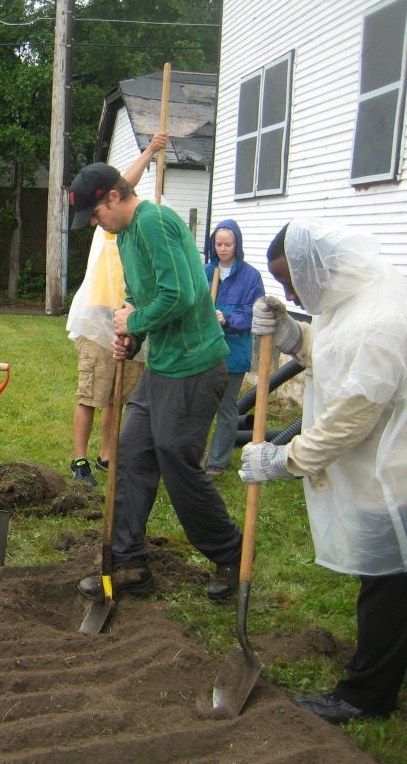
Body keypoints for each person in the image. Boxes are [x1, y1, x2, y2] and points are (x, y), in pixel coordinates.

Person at [241, 219, 407, 723]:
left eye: (292, 282)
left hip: (395, 471)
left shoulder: (382, 320)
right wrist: (296, 336)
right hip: (384, 465)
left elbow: (349, 419)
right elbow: (336, 353)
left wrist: (284, 458)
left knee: (388, 585)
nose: (289, 292)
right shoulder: (353, 294)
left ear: (319, 267)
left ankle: (366, 694)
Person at [69, 161, 243, 602]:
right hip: (163, 364)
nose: (94, 222)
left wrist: (136, 319)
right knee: (132, 454)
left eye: (94, 213)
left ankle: (232, 554)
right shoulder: (124, 235)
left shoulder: (154, 223)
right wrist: (133, 337)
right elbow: (144, 299)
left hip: (195, 365)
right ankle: (129, 564)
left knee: (176, 460)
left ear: (113, 196)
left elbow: (182, 295)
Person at [66, 134, 166, 486]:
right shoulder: (107, 224)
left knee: (119, 396)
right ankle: (79, 460)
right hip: (98, 317)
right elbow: (124, 183)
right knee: (92, 391)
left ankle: (108, 454)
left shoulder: (136, 229)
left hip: (134, 316)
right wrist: (150, 152)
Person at [203, 220, 265, 475]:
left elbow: (254, 312)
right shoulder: (206, 271)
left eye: (228, 244)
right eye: (218, 244)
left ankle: (217, 459)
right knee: (202, 406)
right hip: (206, 352)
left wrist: (227, 318)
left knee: (226, 407)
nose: (223, 249)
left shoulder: (251, 277)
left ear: (237, 245)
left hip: (233, 353)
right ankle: (194, 455)